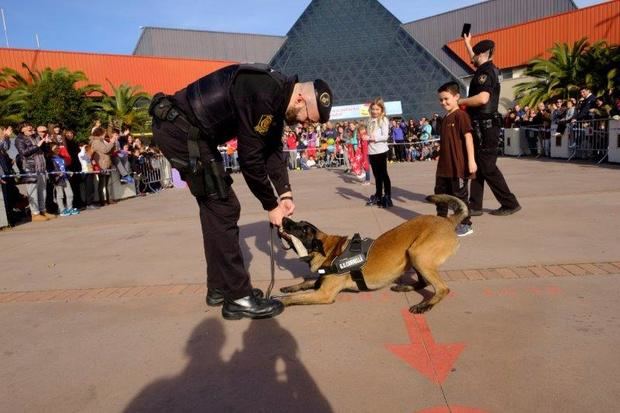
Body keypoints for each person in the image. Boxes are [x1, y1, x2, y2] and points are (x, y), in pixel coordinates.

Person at [149, 63, 332, 320]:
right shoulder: (266, 94)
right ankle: (238, 298)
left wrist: (285, 193)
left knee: (215, 211)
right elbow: (251, 160)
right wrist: (271, 206)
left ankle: (220, 289)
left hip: (192, 134)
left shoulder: (276, 97)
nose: (304, 123)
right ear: (301, 98)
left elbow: (271, 150)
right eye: (307, 117)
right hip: (180, 131)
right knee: (224, 208)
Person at [458, 36, 520, 216]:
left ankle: (510, 203)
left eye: (475, 55)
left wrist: (461, 101)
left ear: (483, 54)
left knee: (488, 167)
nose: (472, 58)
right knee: (478, 165)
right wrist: (467, 44)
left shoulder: (487, 72)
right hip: (482, 126)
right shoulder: (486, 68)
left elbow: (483, 98)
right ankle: (475, 205)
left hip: (486, 127)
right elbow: (475, 58)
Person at [435, 82, 477, 236]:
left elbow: (468, 138)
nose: (443, 102)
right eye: (441, 100)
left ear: (457, 97)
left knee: (459, 196)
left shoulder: (461, 116)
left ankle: (466, 224)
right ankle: (440, 221)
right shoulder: (445, 118)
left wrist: (471, 161)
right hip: (444, 167)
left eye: (446, 99)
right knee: (440, 194)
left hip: (458, 166)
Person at [15, 123, 57, 222]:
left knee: (42, 190)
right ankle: (35, 213)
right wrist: (37, 145)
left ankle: (43, 211)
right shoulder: (19, 139)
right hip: (30, 168)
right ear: (22, 130)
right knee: (33, 192)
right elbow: (24, 153)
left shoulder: (36, 136)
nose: (30, 127)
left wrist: (46, 143)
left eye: (30, 126)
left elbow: (44, 151)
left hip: (41, 167)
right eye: (26, 126)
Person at [365, 97, 392, 208]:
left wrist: (372, 137)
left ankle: (387, 196)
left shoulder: (383, 120)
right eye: (373, 109)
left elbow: (385, 136)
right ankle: (378, 194)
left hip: (381, 150)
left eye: (377, 109)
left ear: (381, 110)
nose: (375, 111)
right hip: (372, 151)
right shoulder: (369, 120)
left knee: (383, 174)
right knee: (376, 175)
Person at [50, 144, 79, 216]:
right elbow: (50, 170)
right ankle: (62, 210)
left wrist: (69, 172)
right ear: (51, 150)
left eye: (58, 148)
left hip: (65, 178)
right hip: (58, 180)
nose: (57, 150)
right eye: (55, 149)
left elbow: (64, 168)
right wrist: (57, 174)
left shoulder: (61, 158)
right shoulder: (50, 159)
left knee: (70, 194)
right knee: (60, 195)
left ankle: (69, 208)